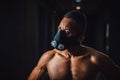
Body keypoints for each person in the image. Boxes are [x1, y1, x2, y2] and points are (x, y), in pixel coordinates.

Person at [28, 10, 120, 80]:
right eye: (60, 28)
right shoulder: (49, 57)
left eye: (67, 32)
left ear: (80, 38)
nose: (60, 34)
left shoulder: (95, 58)